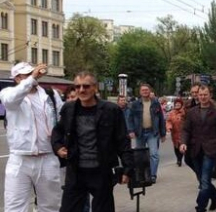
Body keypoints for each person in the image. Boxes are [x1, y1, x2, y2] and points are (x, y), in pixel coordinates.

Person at [52, 71, 132, 212]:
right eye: (78, 87)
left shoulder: (111, 110)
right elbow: (57, 131)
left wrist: (127, 168)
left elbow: (122, 141)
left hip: (101, 172)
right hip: (76, 172)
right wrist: (58, 147)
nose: (81, 90)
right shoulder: (69, 109)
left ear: (95, 88)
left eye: (86, 86)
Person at [0, 62, 62, 212]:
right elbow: (10, 100)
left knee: (50, 206)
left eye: (31, 73)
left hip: (47, 158)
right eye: (26, 75)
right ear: (17, 78)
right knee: (14, 207)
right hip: (20, 160)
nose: (31, 78)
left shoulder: (51, 95)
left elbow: (61, 120)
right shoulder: (8, 94)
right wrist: (32, 77)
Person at [180, 85, 216, 212]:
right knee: (202, 179)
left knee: (204, 180)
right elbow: (186, 130)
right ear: (197, 95)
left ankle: (201, 207)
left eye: (205, 94)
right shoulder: (192, 112)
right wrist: (183, 142)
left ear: (210, 95)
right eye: (200, 95)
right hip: (195, 150)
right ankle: (215, 196)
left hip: (211, 149)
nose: (203, 97)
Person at [127, 83, 166, 183]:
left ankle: (153, 175)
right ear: (140, 92)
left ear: (150, 91)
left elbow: (161, 118)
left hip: (152, 133)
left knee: (154, 154)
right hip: (139, 133)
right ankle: (141, 174)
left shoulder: (155, 103)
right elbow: (130, 118)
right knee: (140, 155)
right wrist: (131, 130)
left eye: (147, 90)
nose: (145, 91)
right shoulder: (135, 104)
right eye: (143, 90)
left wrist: (163, 133)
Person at [166, 98, 186, 167]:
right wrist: (169, 127)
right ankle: (178, 158)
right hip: (174, 132)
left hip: (183, 132)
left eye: (179, 104)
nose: (177, 105)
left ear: (181, 104)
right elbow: (168, 121)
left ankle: (180, 159)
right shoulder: (171, 113)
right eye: (176, 104)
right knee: (176, 147)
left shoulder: (184, 112)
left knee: (181, 145)